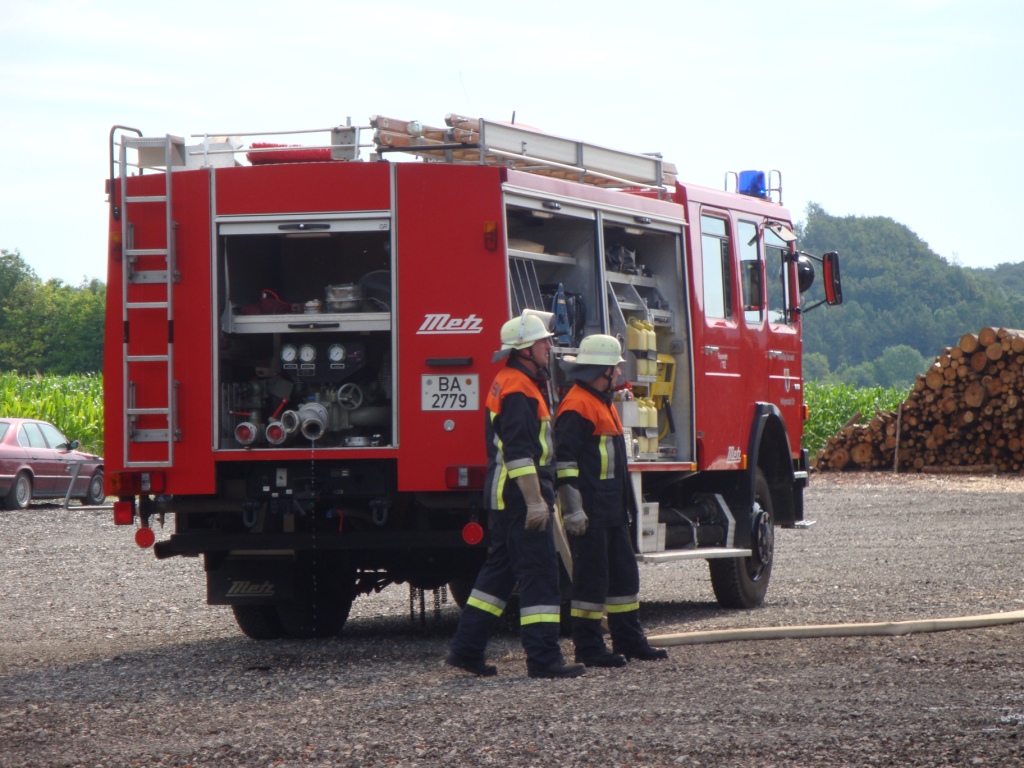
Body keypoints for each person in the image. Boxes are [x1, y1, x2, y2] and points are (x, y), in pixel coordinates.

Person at [446, 310, 586, 680]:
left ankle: (466, 649)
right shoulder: (519, 389)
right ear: (524, 349)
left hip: (508, 500)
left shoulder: (513, 382)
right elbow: (519, 453)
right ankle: (544, 658)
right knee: (540, 576)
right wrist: (535, 501)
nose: (548, 348)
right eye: (542, 343)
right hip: (521, 500)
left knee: (497, 578)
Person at [555, 334, 668, 667]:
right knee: (591, 582)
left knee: (623, 578)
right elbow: (564, 463)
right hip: (590, 511)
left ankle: (629, 640)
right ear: (601, 371)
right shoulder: (577, 406)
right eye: (615, 368)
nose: (619, 373)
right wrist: (573, 510)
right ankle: (589, 648)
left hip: (613, 509)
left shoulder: (600, 401)